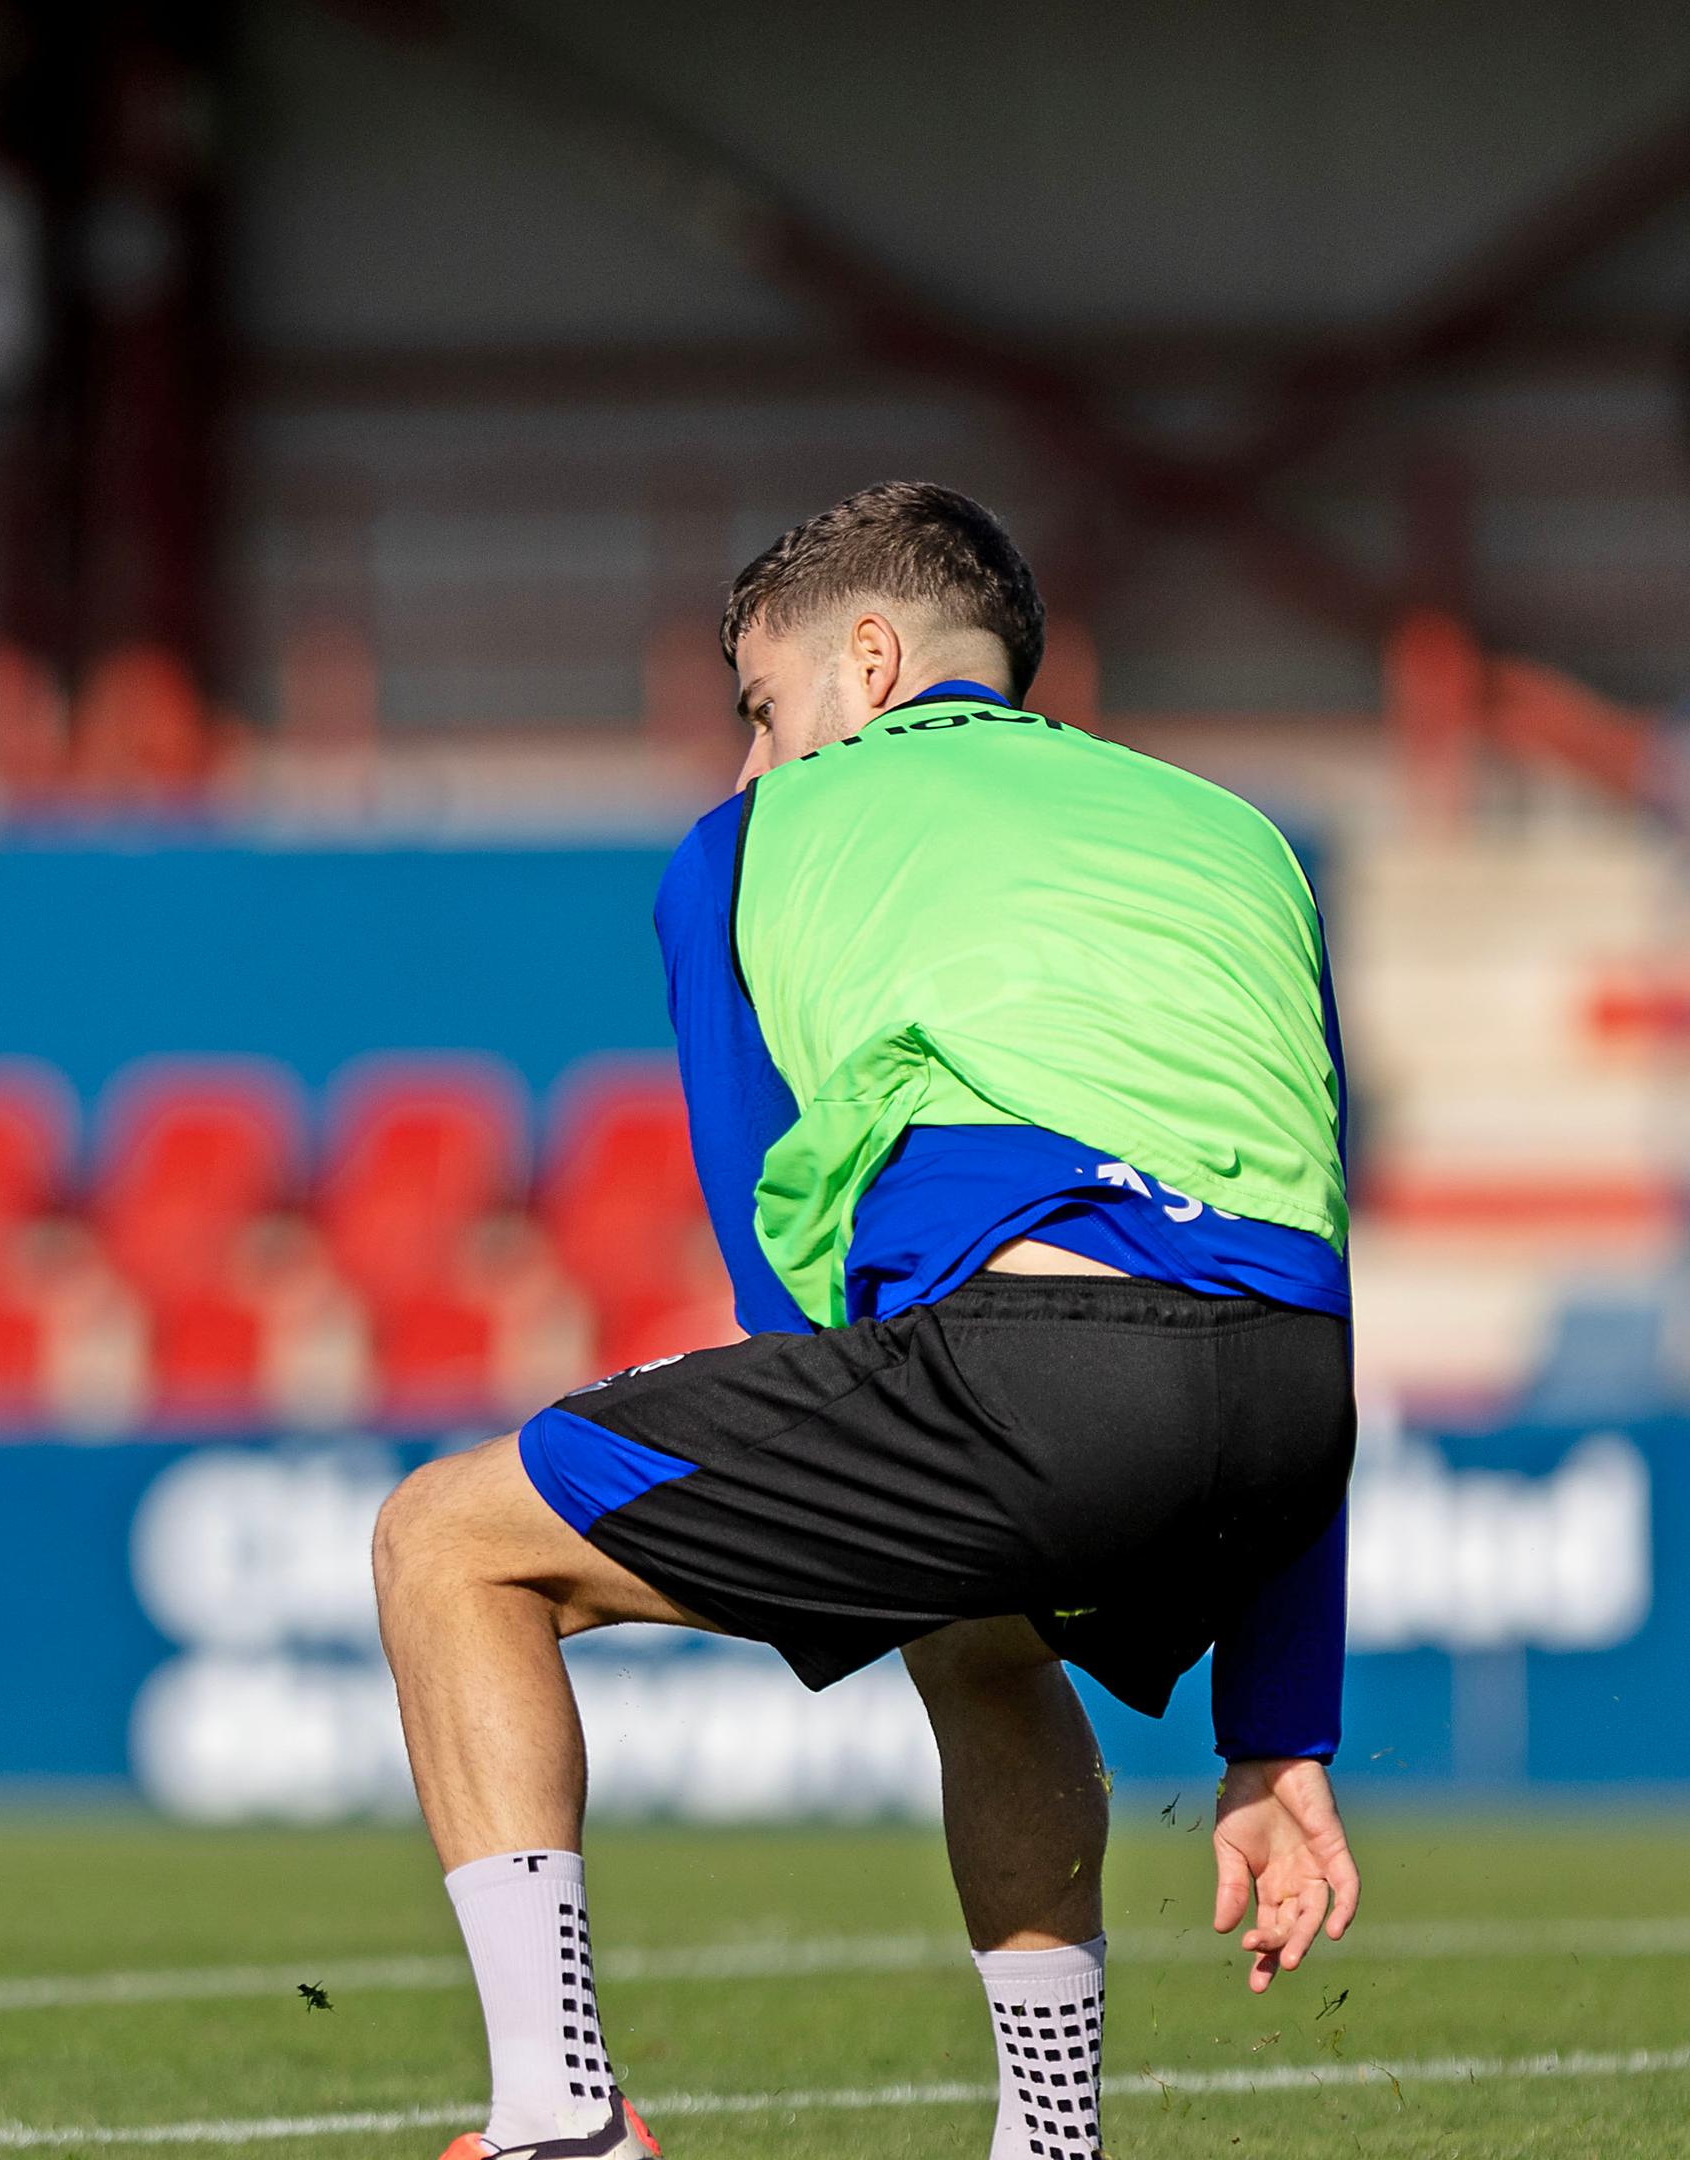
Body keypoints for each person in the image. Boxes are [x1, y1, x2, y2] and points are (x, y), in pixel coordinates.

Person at [370, 482, 1359, 2160]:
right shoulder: (1237, 833)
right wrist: (1278, 1733)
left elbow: (786, 1244)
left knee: (446, 1543)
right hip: (1285, 1410)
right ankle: (1054, 2148)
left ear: (873, 659)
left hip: (1039, 1378)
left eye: (763, 709)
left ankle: (557, 2126)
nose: (754, 762)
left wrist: (816, 1477)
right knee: (972, 1631)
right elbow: (1307, 1255)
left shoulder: (750, 844)